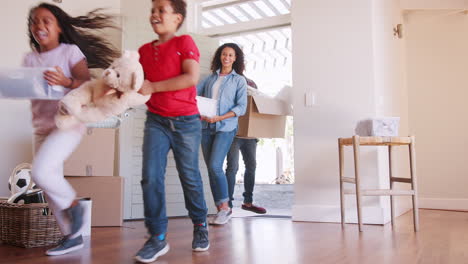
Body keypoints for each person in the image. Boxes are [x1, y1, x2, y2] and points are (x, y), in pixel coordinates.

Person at [24, 3, 119, 256]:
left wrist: (66, 82)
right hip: (41, 126)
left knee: (41, 172)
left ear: (58, 27)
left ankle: (74, 205)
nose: (39, 26)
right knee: (46, 181)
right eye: (35, 21)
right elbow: (28, 88)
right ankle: (72, 236)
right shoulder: (30, 58)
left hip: (67, 123)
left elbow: (87, 85)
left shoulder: (70, 52)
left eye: (46, 21)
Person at [135, 0, 209, 262]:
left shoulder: (184, 43)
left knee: (189, 176)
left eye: (161, 10)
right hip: (156, 120)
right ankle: (157, 237)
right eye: (152, 10)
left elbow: (190, 77)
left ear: (177, 18)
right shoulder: (143, 51)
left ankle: (200, 225)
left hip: (186, 121)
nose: (154, 14)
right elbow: (137, 83)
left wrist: (153, 87)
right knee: (150, 177)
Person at [197, 43, 247, 225]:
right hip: (206, 127)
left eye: (230, 55)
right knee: (212, 170)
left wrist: (219, 118)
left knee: (215, 166)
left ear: (235, 59)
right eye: (224, 54)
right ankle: (221, 210)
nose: (226, 58)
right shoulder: (209, 79)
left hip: (225, 127)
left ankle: (225, 208)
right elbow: (194, 97)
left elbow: (241, 107)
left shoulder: (239, 80)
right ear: (220, 56)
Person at [225, 78, 267, 215]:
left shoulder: (252, 83)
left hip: (250, 136)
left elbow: (257, 108)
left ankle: (248, 202)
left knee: (251, 166)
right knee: (232, 167)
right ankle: (228, 205)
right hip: (234, 134)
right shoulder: (230, 82)